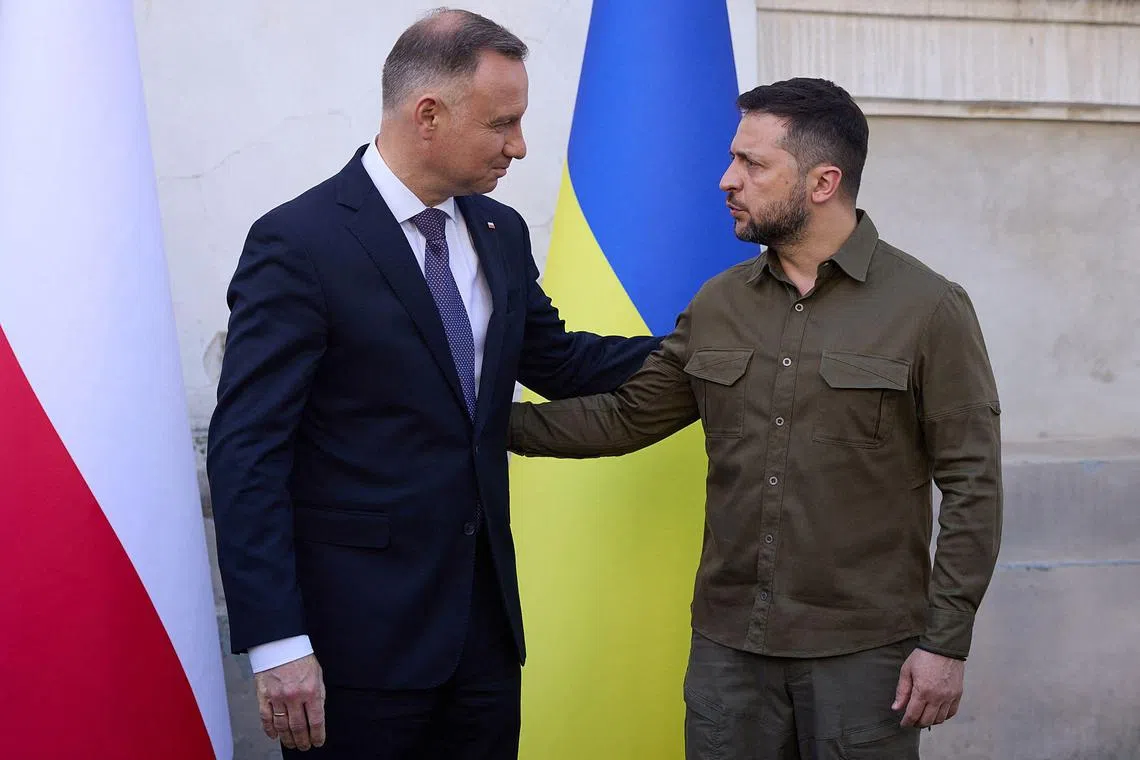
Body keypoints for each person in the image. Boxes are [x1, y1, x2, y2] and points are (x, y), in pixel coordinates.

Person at [206, 9, 657, 759]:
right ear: (428, 115)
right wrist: (278, 644)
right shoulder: (299, 243)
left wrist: (710, 343)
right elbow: (247, 451)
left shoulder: (499, 233)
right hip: (353, 651)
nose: (519, 146)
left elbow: (561, 364)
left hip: (482, 638)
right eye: (502, 124)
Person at [509, 77, 1003, 759]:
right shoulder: (718, 304)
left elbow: (973, 486)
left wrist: (945, 643)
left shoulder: (929, 309)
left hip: (864, 656)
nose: (726, 180)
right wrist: (483, 423)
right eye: (733, 159)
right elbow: (626, 418)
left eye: (752, 164)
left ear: (823, 182)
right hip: (729, 652)